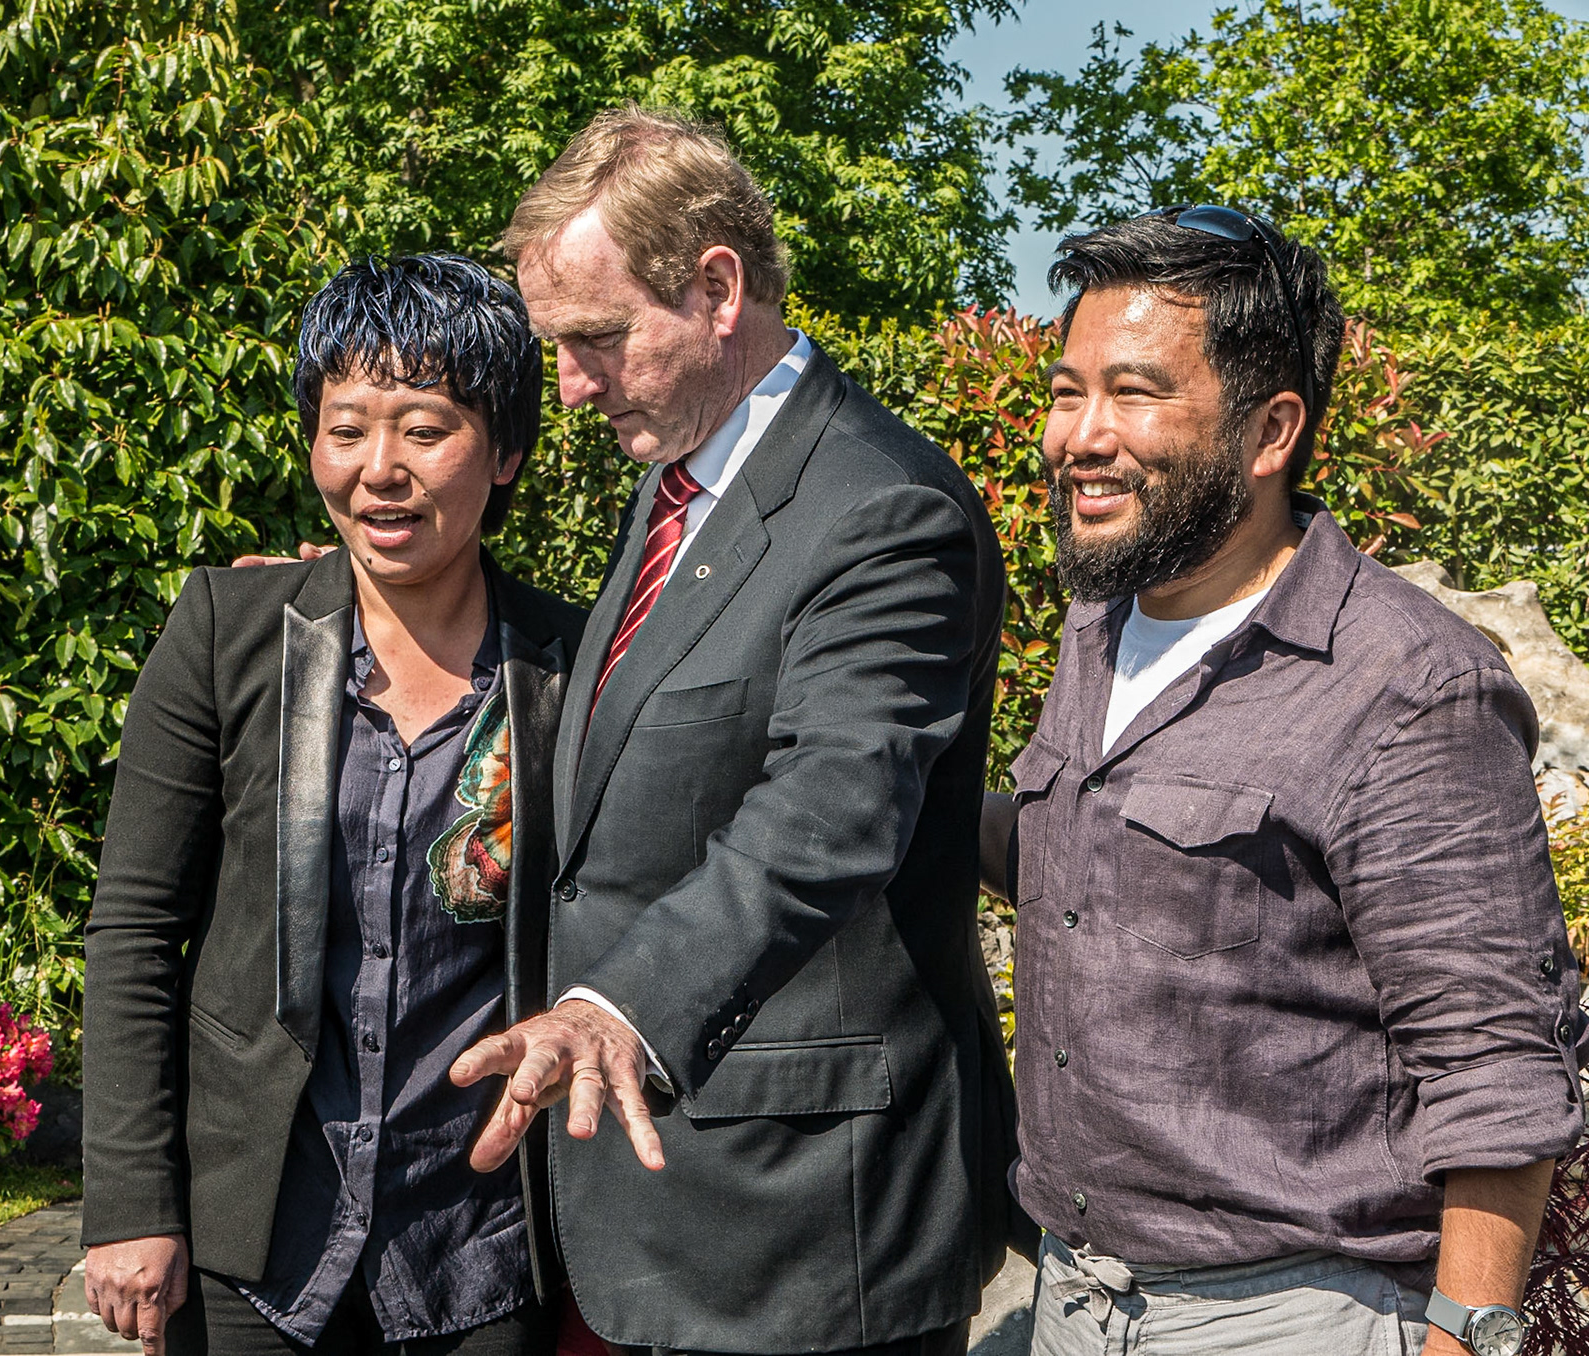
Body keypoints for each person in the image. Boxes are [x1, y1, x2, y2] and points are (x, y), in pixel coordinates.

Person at [441, 106, 1023, 1356]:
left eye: (596, 339)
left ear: (717, 289)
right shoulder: (678, 479)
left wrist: (621, 1005)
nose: (572, 385)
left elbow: (830, 808)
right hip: (662, 1206)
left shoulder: (883, 508)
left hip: (803, 1226)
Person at [981, 208, 1582, 1356]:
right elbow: (1097, 869)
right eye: (1067, 392)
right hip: (1073, 1301)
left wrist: (1467, 1339)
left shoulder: (1409, 688)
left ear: (1269, 431)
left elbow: (1495, 1066)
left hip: (1289, 1316)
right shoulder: (1098, 625)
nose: (1081, 436)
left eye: (1136, 393)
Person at [80, 254, 586, 1356]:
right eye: (346, 427)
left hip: (477, 1243)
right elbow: (131, 929)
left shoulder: (570, 669)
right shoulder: (229, 631)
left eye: (424, 428)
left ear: (505, 453)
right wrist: (131, 1205)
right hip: (258, 1240)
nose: (380, 470)